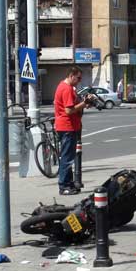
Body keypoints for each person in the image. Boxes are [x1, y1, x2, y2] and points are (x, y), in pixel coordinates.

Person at [54, 66, 92, 195]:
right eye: (78, 78)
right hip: (67, 127)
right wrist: (84, 103)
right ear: (71, 75)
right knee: (66, 157)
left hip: (69, 126)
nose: (79, 81)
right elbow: (69, 110)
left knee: (69, 157)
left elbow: (74, 107)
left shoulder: (67, 87)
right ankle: (63, 186)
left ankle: (69, 184)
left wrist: (83, 103)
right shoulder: (66, 89)